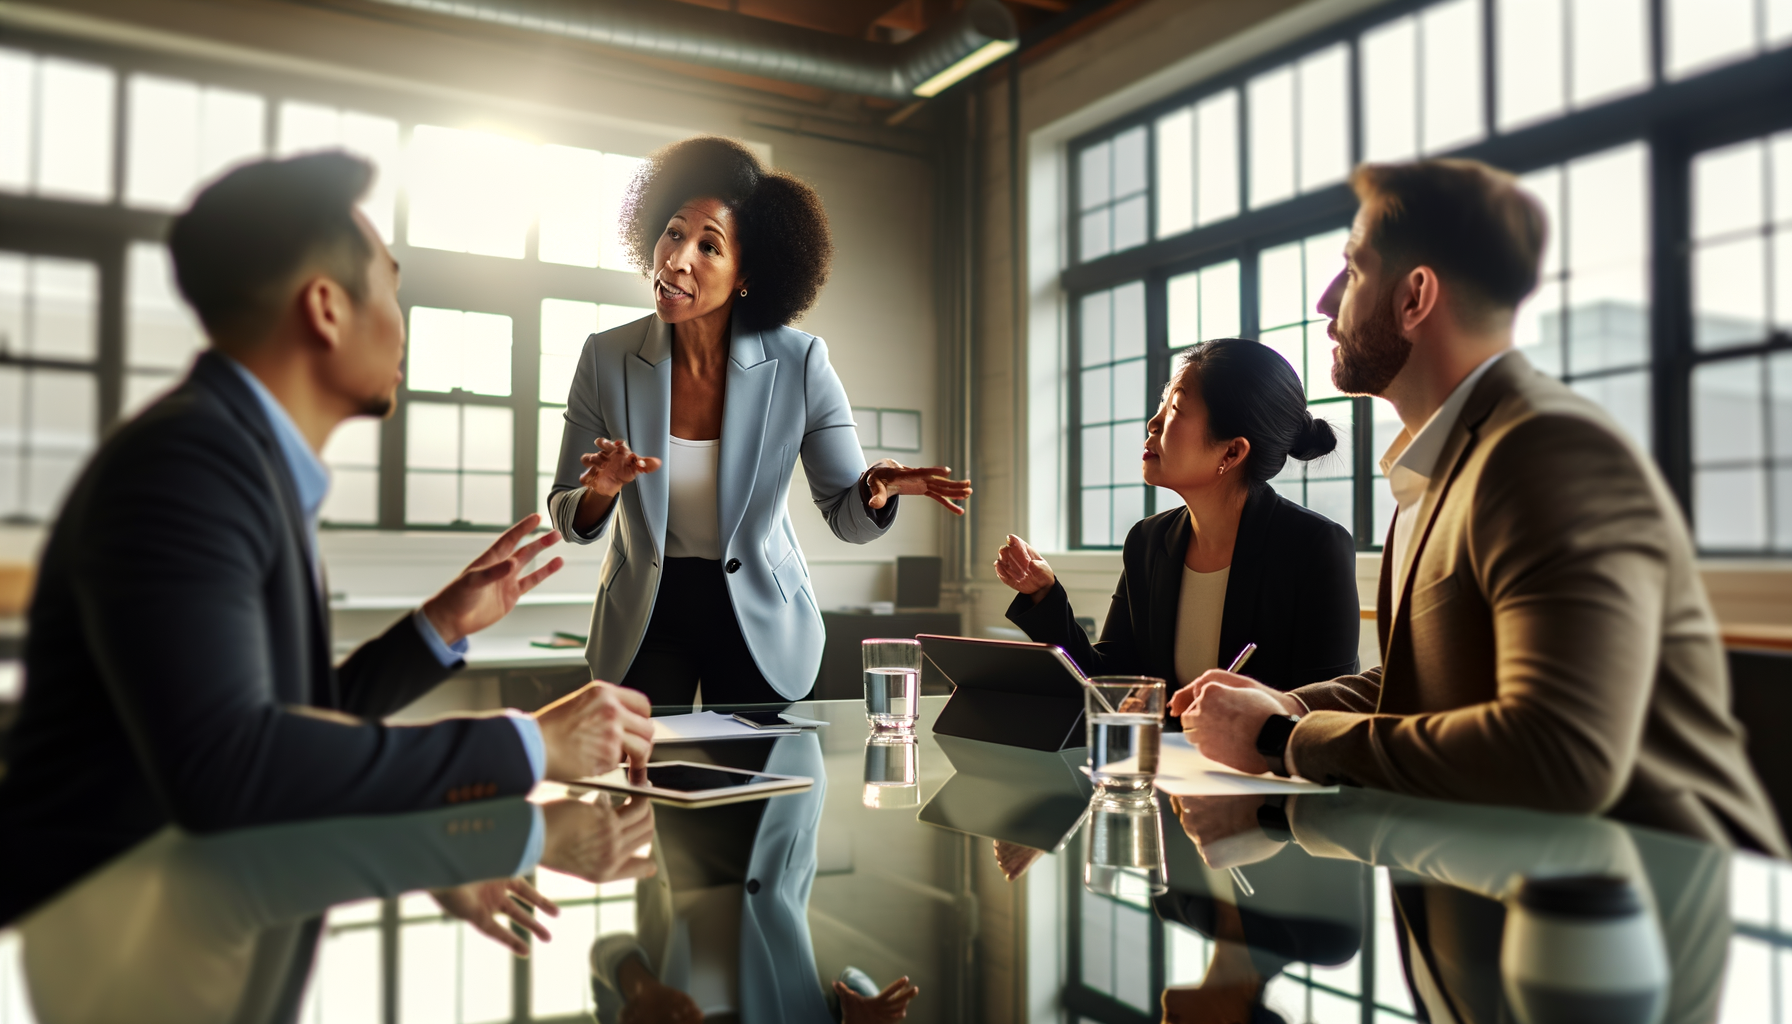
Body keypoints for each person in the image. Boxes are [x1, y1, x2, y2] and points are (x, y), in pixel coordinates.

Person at [0, 152, 656, 927]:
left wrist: (436, 628)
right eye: (391, 284)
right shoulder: (189, 466)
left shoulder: (238, 458)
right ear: (325, 307)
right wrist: (529, 746)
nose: (402, 321)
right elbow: (232, 767)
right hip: (106, 933)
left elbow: (289, 725)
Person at [1177, 158, 1787, 855]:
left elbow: (1562, 755)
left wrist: (1281, 739)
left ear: (1414, 298)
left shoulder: (1548, 451)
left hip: (1645, 907)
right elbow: (1423, 679)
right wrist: (1287, 705)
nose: (1325, 300)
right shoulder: (1436, 467)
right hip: (1496, 889)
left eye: (1352, 266)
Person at [547, 136, 970, 706]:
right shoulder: (605, 357)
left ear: (747, 274)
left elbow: (846, 516)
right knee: (645, 786)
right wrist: (599, 491)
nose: (677, 259)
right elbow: (567, 515)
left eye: (709, 246)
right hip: (645, 615)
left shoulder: (800, 363)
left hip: (759, 617)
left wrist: (876, 488)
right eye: (673, 232)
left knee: (760, 787)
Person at [995, 339, 1360, 695]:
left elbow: (1324, 709)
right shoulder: (1147, 541)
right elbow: (1111, 681)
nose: (1153, 422)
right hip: (1164, 758)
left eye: (1175, 410)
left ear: (1231, 452)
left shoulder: (1314, 547)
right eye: (1162, 404)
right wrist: (1044, 595)